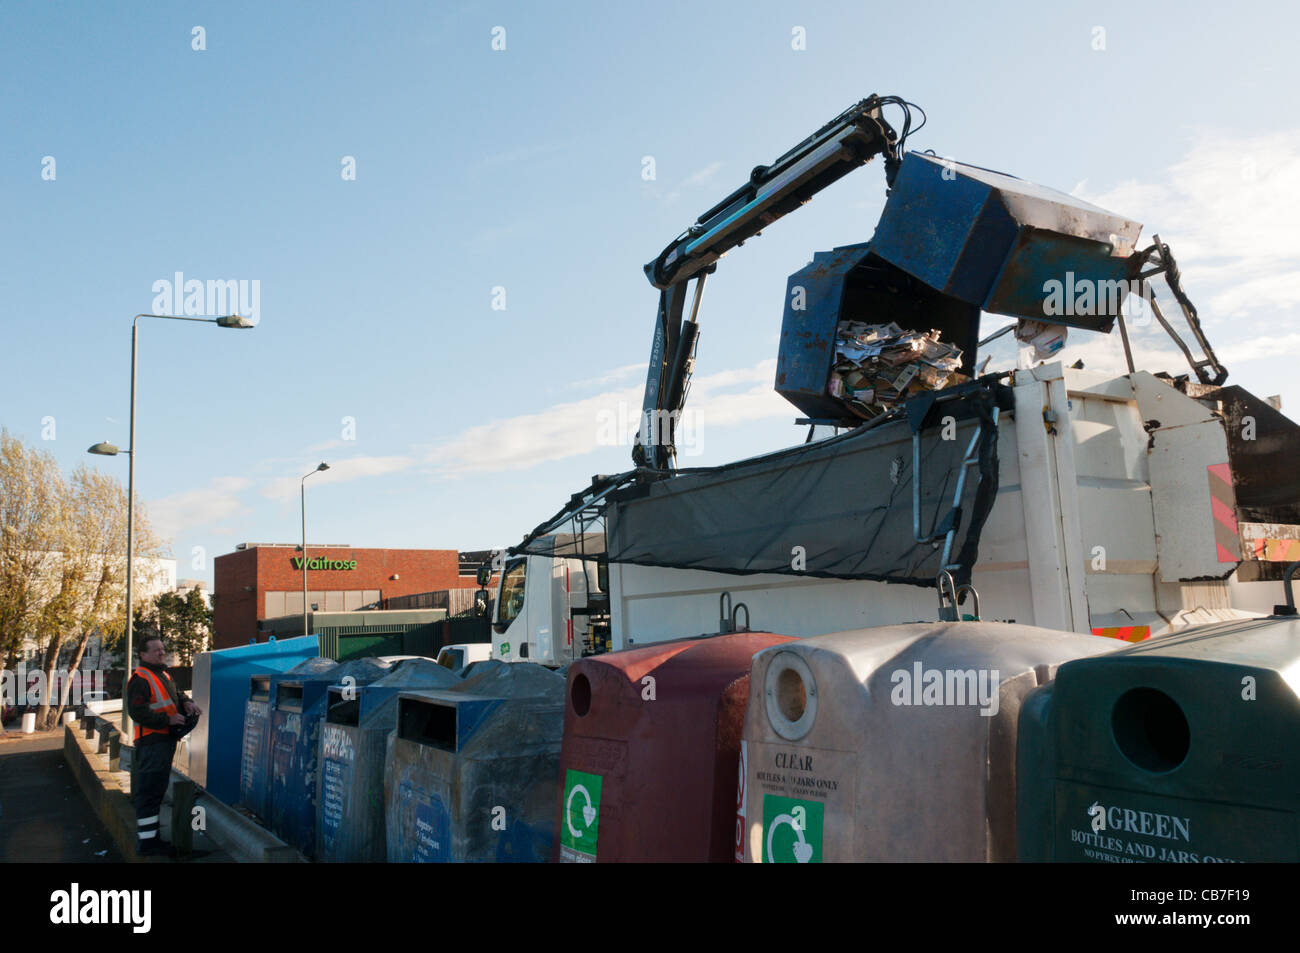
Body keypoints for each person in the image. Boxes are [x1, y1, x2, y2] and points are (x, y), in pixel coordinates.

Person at [126, 635, 201, 857]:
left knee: (155, 791)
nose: (162, 652)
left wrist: (187, 703)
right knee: (149, 792)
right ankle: (148, 843)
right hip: (152, 742)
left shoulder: (163, 674)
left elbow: (175, 695)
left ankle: (151, 840)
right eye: (156, 650)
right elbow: (137, 712)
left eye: (162, 649)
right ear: (143, 654)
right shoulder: (140, 678)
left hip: (162, 741)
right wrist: (167, 721)